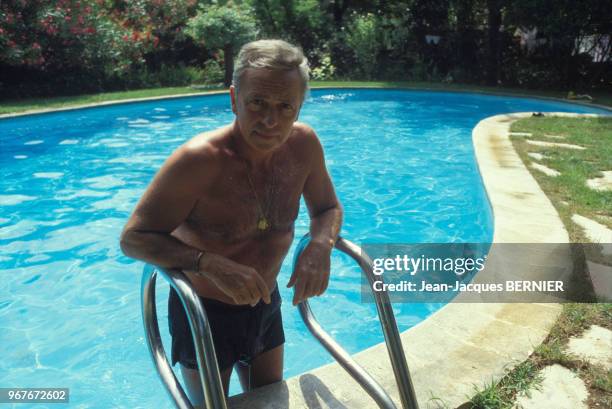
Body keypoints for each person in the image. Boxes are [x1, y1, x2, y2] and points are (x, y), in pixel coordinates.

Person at [120, 39, 343, 404]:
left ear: (299, 108)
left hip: (264, 304)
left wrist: (320, 245)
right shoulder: (199, 161)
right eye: (257, 102)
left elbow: (327, 208)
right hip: (203, 315)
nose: (271, 120)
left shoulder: (304, 146)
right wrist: (206, 263)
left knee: (270, 400)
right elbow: (133, 238)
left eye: (285, 106)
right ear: (233, 98)